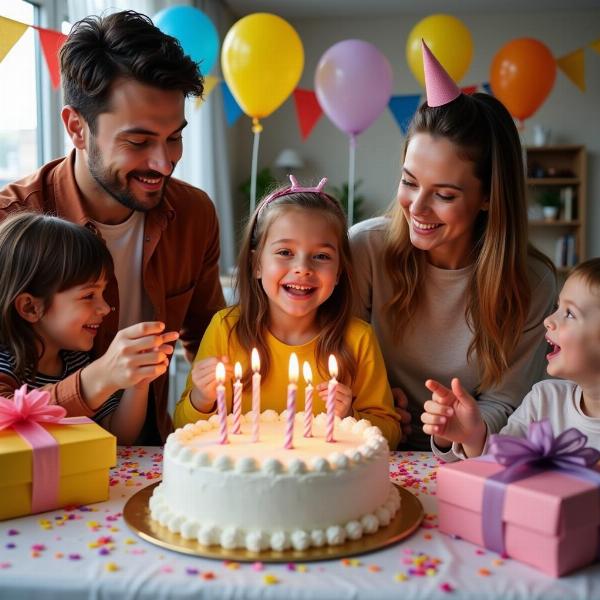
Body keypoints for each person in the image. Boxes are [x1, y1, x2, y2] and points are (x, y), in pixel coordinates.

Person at [0, 11, 224, 443]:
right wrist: (92, 383)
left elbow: (212, 343)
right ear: (76, 128)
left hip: (149, 462)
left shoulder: (194, 215)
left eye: (174, 137)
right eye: (138, 142)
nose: (163, 163)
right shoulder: (11, 225)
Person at [349, 42, 556, 458]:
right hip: (367, 447)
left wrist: (456, 429)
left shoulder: (533, 283)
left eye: (443, 194)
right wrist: (376, 404)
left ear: (488, 198)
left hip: (466, 460)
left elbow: (505, 403)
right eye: (409, 182)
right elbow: (335, 358)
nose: (417, 208)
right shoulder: (365, 249)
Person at [174, 176, 401, 449]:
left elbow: (391, 433)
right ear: (256, 263)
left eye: (321, 256)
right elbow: (183, 428)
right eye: (285, 252)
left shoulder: (358, 338)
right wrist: (201, 397)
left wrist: (350, 416)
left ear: (339, 271)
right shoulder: (225, 329)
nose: (303, 267)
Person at [0, 213, 179, 444]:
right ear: (30, 307)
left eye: (103, 293)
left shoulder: (75, 361)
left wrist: (138, 381)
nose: (105, 308)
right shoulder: (6, 364)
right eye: (88, 295)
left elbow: (119, 436)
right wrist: (98, 377)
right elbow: (9, 423)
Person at [421, 258, 600, 455]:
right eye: (557, 307)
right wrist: (472, 436)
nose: (548, 320)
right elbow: (499, 459)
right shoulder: (543, 401)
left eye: (570, 314)